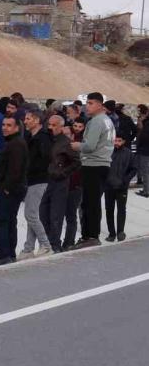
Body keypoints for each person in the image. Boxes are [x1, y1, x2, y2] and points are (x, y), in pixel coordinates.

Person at [70, 92, 115, 250]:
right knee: (92, 202)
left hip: (93, 165)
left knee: (89, 203)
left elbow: (89, 146)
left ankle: (90, 236)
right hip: (102, 164)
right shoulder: (107, 120)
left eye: (90, 103)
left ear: (100, 105)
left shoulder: (96, 121)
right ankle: (90, 235)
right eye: (87, 103)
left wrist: (77, 146)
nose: (87, 106)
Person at [0, 117, 29, 267]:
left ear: (17, 127)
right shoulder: (14, 142)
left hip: (10, 190)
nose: (4, 128)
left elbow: (15, 169)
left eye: (9, 125)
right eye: (3, 125)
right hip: (13, 188)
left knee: (1, 220)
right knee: (9, 221)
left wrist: (6, 187)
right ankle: (9, 253)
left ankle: (4, 254)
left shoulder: (16, 144)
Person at [39, 115, 80, 253]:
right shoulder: (48, 140)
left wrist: (63, 173)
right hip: (46, 180)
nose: (50, 127)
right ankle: (47, 242)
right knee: (43, 212)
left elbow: (76, 162)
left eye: (54, 125)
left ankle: (55, 244)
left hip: (60, 182)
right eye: (49, 124)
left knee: (56, 214)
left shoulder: (66, 143)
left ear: (61, 127)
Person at [18, 109, 53, 260]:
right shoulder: (29, 137)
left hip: (39, 180)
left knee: (30, 215)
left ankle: (46, 245)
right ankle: (28, 249)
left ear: (37, 120)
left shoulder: (43, 138)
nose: (25, 121)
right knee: (31, 215)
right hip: (31, 179)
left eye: (28, 119)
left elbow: (44, 159)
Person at [104, 134, 137, 242]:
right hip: (109, 186)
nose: (117, 143)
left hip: (121, 186)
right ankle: (111, 233)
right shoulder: (108, 152)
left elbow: (133, 169)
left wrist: (126, 180)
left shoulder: (128, 153)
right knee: (109, 210)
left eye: (119, 141)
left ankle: (120, 232)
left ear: (123, 141)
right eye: (115, 140)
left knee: (121, 210)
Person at [63, 118, 86, 249]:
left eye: (79, 126)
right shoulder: (63, 145)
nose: (77, 128)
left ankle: (69, 241)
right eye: (75, 126)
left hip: (76, 185)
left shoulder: (82, 145)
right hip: (64, 184)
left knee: (72, 215)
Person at [137, 111, 149, 198]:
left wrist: (141, 125)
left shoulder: (147, 124)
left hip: (145, 150)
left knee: (145, 171)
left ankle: (146, 191)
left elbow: (144, 137)